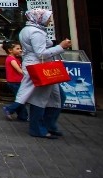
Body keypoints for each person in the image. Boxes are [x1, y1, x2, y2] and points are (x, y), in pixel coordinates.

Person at [15, 9, 72, 139]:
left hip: (41, 65)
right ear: (39, 18)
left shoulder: (27, 29)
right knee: (41, 98)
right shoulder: (35, 32)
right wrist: (61, 47)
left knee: (58, 97)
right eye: (48, 18)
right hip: (40, 67)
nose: (50, 21)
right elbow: (40, 53)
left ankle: (48, 124)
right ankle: (38, 127)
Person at [1, 40, 28, 122]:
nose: (20, 50)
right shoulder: (11, 59)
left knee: (20, 98)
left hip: (16, 81)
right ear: (10, 50)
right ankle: (9, 108)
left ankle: (22, 116)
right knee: (21, 99)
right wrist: (27, 74)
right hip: (15, 82)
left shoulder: (14, 58)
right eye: (18, 48)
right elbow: (19, 70)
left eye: (20, 48)